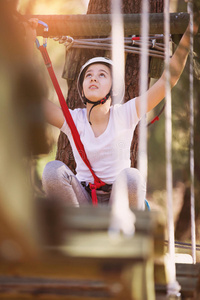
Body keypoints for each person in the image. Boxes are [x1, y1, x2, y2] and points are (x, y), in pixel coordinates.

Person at [29, 16, 199, 209]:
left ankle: (122, 232)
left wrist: (190, 31)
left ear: (114, 88)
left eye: (102, 75)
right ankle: (80, 228)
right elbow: (32, 99)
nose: (94, 79)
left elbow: (167, 80)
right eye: (89, 76)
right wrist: (24, 41)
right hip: (84, 201)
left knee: (132, 177)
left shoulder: (125, 114)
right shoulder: (73, 119)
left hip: (119, 203)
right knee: (52, 170)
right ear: (82, 89)